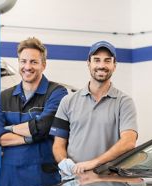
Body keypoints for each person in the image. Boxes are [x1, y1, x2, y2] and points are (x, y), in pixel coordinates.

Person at [0, 37, 68, 186]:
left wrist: (10, 129)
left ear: (43, 65)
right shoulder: (5, 96)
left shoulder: (57, 92)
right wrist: (30, 138)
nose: (27, 67)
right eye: (23, 61)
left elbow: (43, 127)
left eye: (33, 62)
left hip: (43, 177)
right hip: (10, 178)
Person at [50, 40, 138, 176]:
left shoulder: (124, 102)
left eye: (107, 61)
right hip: (74, 181)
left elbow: (129, 141)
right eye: (96, 60)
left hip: (110, 182)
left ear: (114, 65)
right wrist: (63, 161)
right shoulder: (68, 101)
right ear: (88, 63)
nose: (101, 65)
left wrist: (94, 163)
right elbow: (58, 144)